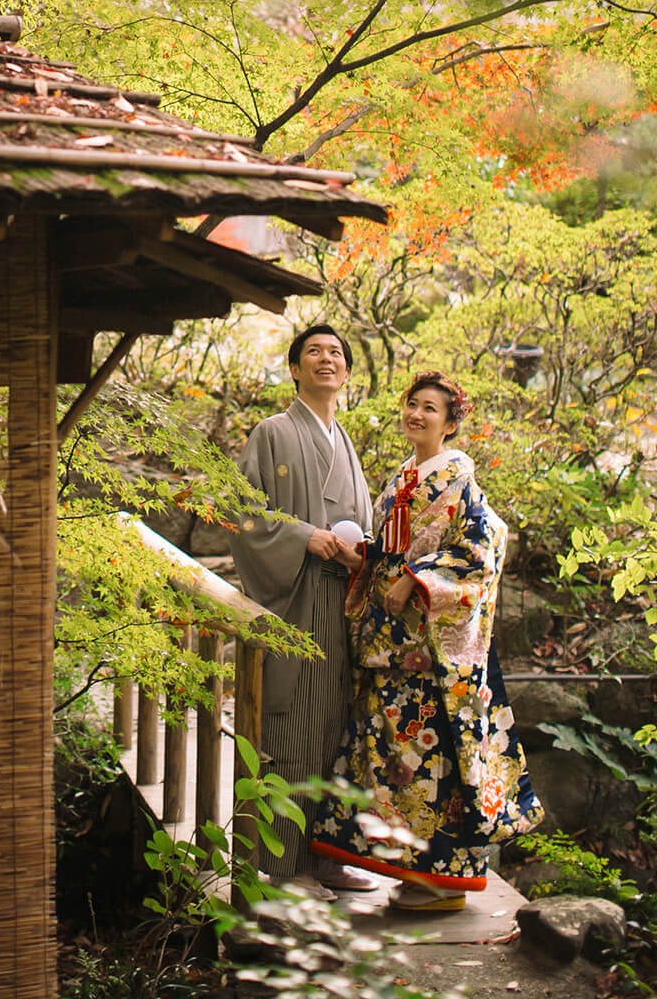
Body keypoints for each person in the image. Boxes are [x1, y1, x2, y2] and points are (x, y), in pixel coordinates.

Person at [311, 371, 542, 911]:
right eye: (412, 404)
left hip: (433, 650)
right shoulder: (403, 477)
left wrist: (417, 581)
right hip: (392, 645)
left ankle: (444, 883)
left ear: (451, 422)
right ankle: (412, 871)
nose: (417, 414)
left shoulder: (460, 479)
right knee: (398, 761)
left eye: (430, 408)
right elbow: (395, 553)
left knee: (435, 761)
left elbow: (481, 551)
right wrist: (365, 560)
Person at [231, 324, 376, 890]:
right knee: (291, 725)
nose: (326, 359)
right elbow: (241, 515)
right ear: (294, 369)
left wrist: (359, 554)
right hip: (293, 597)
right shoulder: (272, 433)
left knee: (336, 725)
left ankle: (327, 854)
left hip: (339, 601)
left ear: (344, 373)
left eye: (336, 353)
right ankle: (281, 867)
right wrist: (303, 537)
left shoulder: (346, 444)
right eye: (313, 351)